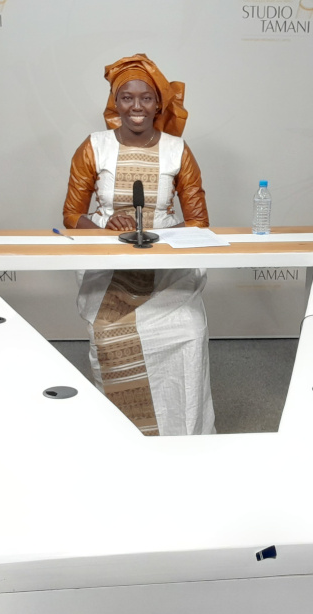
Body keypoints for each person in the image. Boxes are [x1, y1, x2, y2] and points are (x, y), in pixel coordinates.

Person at [62, 53, 215, 436]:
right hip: (110, 266)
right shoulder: (94, 146)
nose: (136, 106)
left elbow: (199, 222)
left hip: (165, 265)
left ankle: (182, 438)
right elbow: (71, 215)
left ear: (158, 104)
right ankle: (123, 436)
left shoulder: (178, 150)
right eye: (127, 97)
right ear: (114, 102)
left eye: (146, 98)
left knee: (189, 328)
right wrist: (107, 231)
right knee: (109, 332)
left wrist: (159, 237)